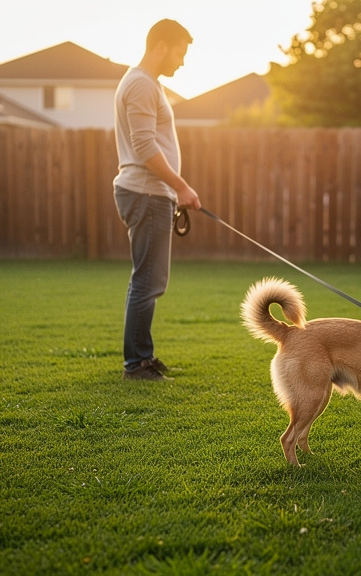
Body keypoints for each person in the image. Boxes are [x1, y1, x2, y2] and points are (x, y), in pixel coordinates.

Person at [113, 19, 201, 381]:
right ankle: (136, 364)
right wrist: (181, 186)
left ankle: (143, 358)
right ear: (161, 46)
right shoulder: (140, 84)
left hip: (151, 193)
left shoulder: (145, 84)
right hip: (146, 192)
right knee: (147, 281)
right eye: (180, 52)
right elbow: (145, 146)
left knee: (149, 280)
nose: (181, 62)